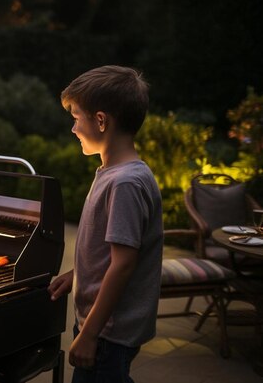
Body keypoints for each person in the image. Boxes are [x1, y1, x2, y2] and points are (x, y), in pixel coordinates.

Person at [48, 65, 163, 383]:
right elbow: (110, 251)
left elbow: (124, 264)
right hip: (104, 325)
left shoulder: (125, 183)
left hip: (107, 331)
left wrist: (88, 334)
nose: (72, 129)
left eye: (75, 118)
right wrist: (78, 275)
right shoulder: (117, 173)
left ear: (100, 121)